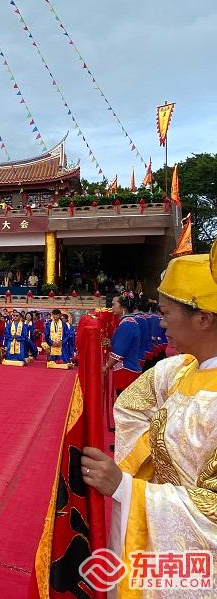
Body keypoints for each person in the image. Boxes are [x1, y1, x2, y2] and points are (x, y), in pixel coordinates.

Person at [82, 245, 217, 595]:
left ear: (203, 318)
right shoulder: (180, 369)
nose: (161, 323)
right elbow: (130, 407)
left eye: (166, 313)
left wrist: (127, 488)